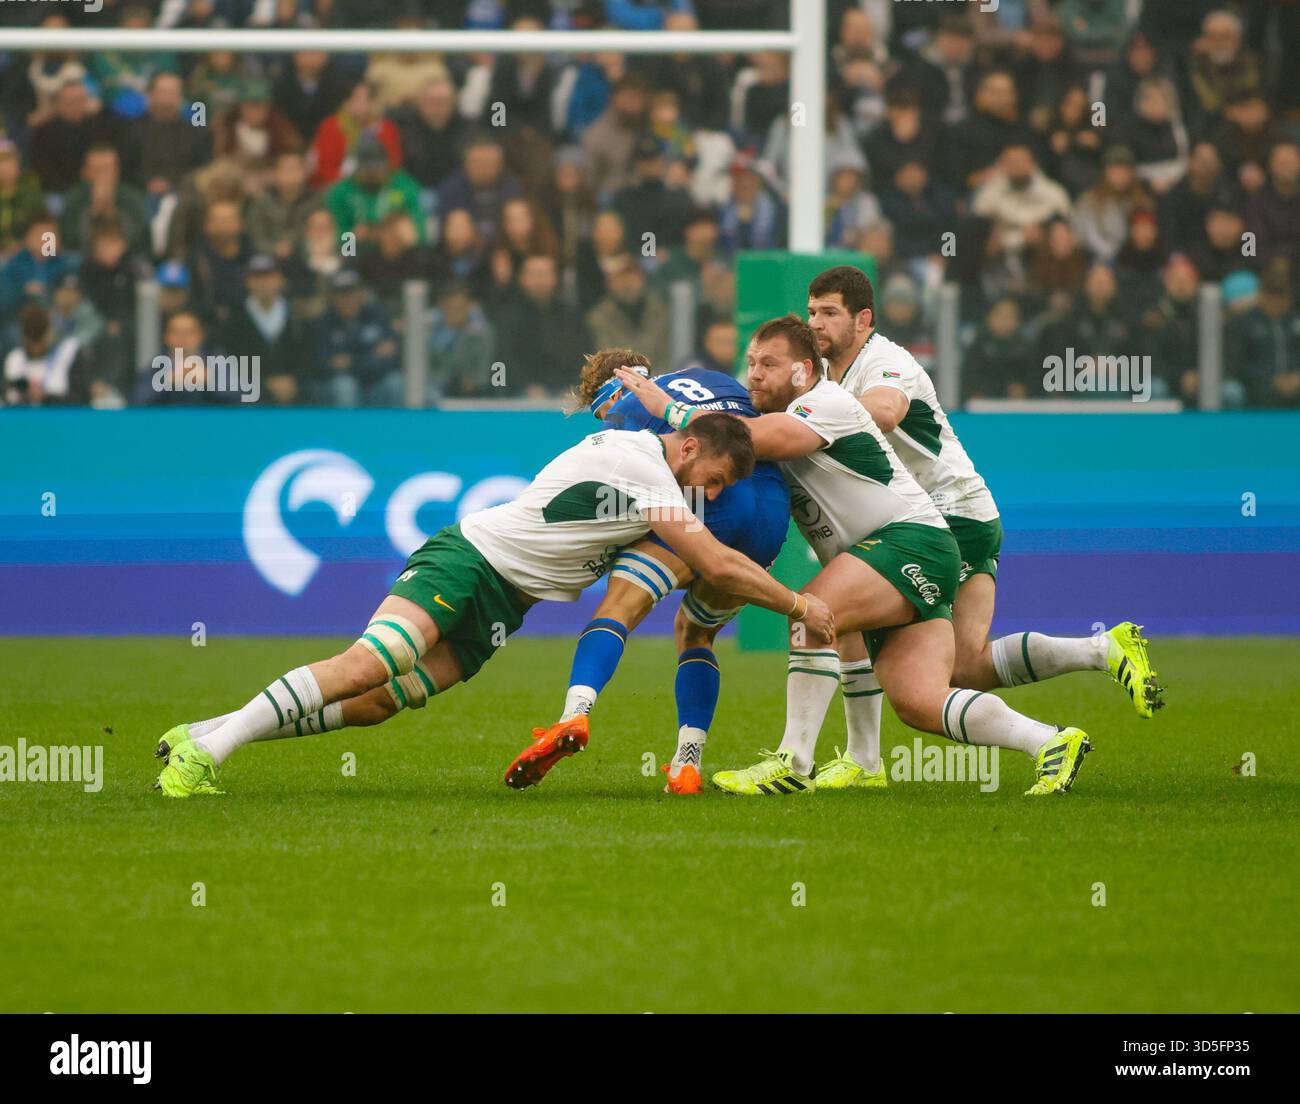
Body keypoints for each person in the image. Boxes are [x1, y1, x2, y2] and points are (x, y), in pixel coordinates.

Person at [153, 410, 833, 798]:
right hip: (471, 559)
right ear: (689, 448)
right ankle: (203, 760)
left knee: (378, 704)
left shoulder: (660, 467)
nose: (709, 496)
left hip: (508, 603)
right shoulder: (641, 464)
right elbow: (713, 560)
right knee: (369, 666)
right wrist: (800, 605)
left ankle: (208, 731)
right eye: (710, 480)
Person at [616, 315, 1097, 797]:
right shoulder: (773, 416)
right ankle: (1050, 741)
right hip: (904, 557)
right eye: (750, 363)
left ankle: (793, 763)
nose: (755, 374)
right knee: (920, 703)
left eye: (769, 364)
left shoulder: (824, 403)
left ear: (804, 370)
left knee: (809, 610)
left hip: (911, 542)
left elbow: (758, 440)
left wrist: (670, 409)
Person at [801, 267, 1163, 788]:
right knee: (965, 665)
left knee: (854, 624)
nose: (817, 323)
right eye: (812, 312)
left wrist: (812, 420)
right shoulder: (831, 376)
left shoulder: (885, 362)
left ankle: (862, 760)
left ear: (863, 319)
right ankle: (1101, 650)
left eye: (829, 313)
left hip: (947, 518)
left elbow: (885, 411)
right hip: (957, 516)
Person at [503, 347, 791, 795]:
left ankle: (574, 715)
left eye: (601, 406)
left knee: (620, 607)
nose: (605, 416)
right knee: (696, 635)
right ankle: (687, 762)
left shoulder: (625, 409)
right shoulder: (711, 377)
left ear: (617, 385)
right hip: (770, 513)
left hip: (708, 499)